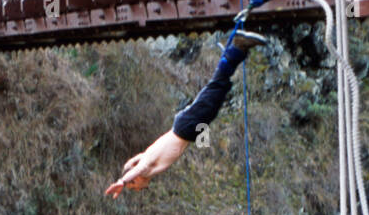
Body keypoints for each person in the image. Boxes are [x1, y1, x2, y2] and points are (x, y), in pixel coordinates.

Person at [104, 29, 266, 197]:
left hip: (185, 127)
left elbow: (138, 167)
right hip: (188, 130)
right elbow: (134, 162)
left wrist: (122, 181)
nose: (140, 189)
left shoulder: (145, 167)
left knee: (215, 89)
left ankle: (237, 48)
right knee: (216, 98)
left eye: (135, 188)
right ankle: (237, 52)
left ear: (135, 179)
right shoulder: (145, 159)